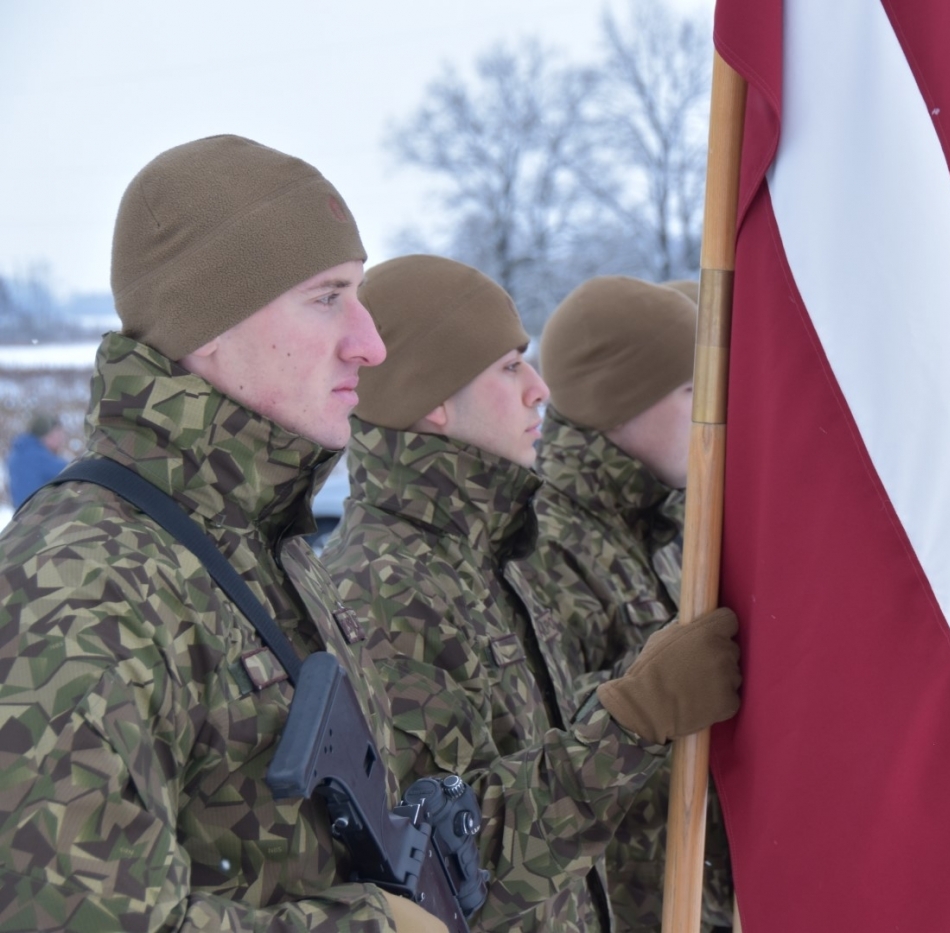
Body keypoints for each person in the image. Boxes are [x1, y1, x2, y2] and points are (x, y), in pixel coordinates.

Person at [0, 135, 450, 931]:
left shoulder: (259, 538)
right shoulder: (83, 578)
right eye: (327, 296)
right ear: (208, 324)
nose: (370, 343)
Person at [320, 255, 742, 933]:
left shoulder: (488, 560)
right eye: (510, 366)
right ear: (434, 395)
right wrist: (635, 716)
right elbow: (445, 869)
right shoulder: (382, 591)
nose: (541, 389)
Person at [532, 275, 733, 932]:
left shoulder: (659, 524)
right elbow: (543, 745)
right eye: (689, 390)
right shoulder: (541, 543)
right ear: (618, 407)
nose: (713, 409)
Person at [5, 412, 69, 503]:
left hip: (22, 514)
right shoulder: (39, 457)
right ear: (46, 435)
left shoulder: (18, 452)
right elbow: (73, 472)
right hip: (40, 514)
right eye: (57, 434)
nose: (61, 439)